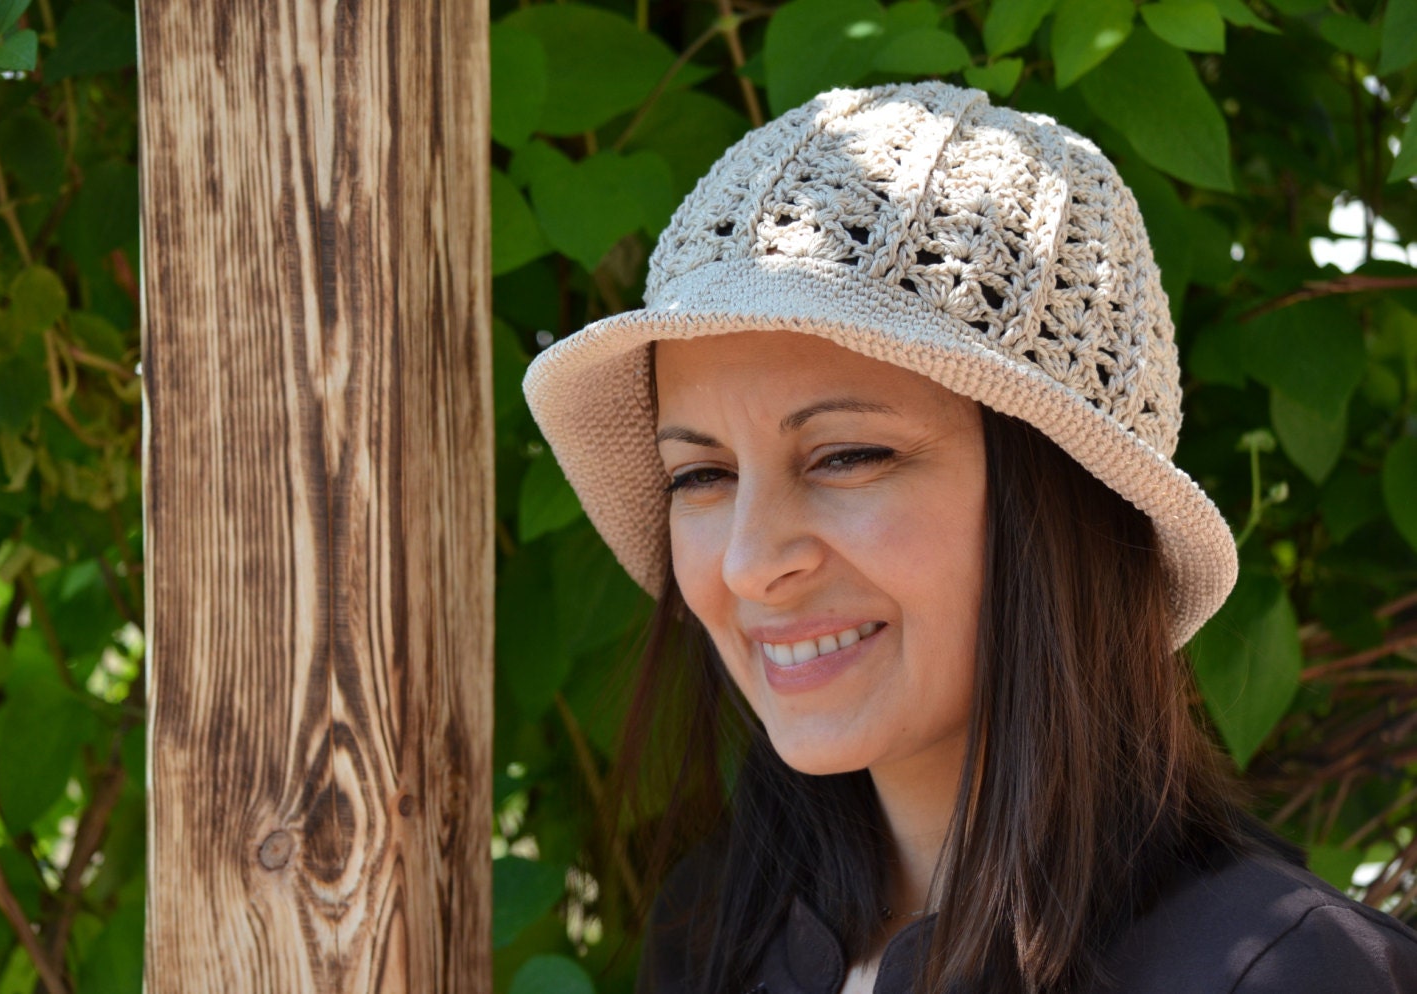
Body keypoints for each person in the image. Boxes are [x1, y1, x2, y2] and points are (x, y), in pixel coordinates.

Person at [521, 82, 1417, 994]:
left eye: (848, 456)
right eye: (701, 475)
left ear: (1064, 501)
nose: (752, 563)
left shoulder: (1284, 974)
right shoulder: (712, 937)